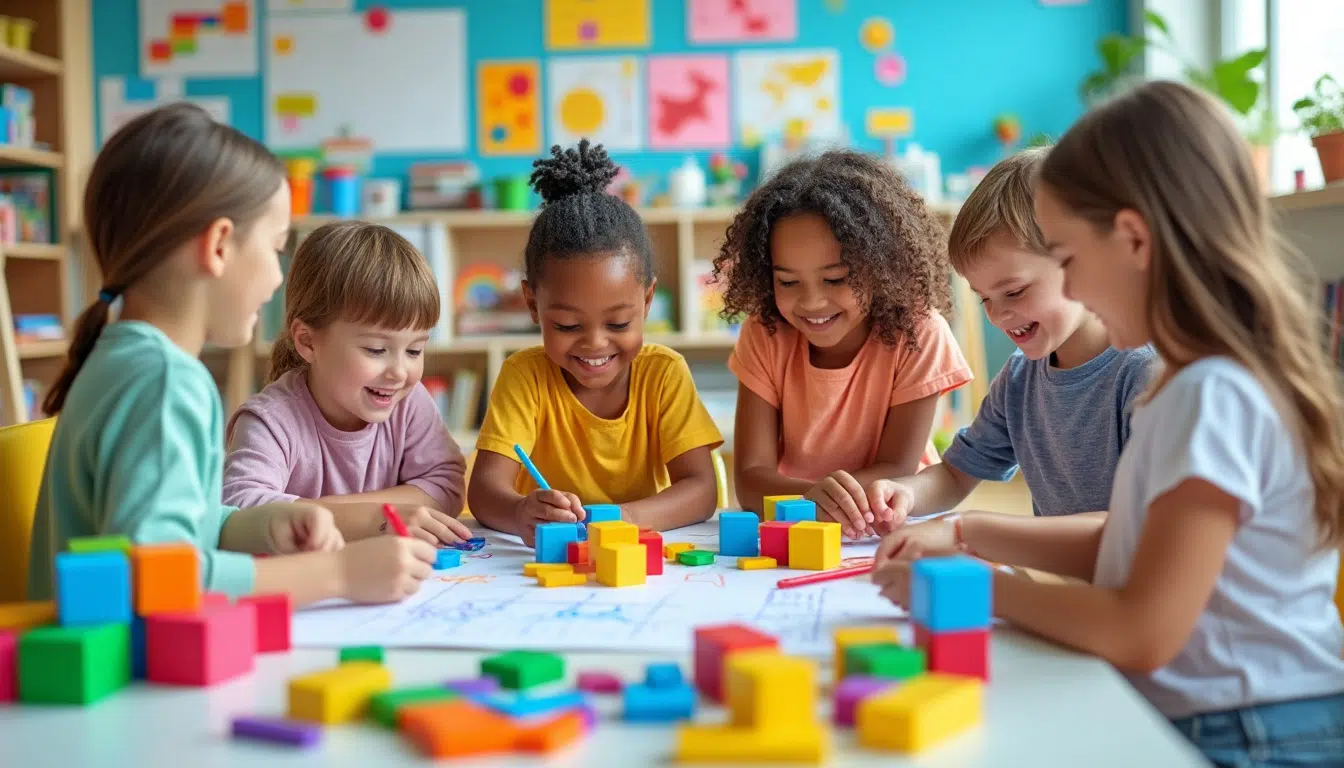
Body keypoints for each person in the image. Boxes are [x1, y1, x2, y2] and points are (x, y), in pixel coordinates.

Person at [873, 81, 1344, 766]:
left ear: (1132, 240)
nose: (1076, 288)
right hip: (1235, 714)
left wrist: (968, 587)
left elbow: (1140, 630)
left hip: (1256, 729)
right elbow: (1130, 546)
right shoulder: (1195, 384)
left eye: (1067, 260)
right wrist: (965, 533)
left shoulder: (1205, 392)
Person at [29, 104, 435, 607]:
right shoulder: (163, 381)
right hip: (123, 672)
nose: (277, 277)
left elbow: (179, 529)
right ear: (220, 246)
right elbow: (156, 580)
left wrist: (262, 523)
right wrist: (337, 573)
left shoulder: (123, 359)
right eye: (275, 248)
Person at [865, 149, 1152, 525]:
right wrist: (904, 494)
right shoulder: (1019, 380)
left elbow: (1139, 530)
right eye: (984, 297)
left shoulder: (1145, 374)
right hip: (1068, 581)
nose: (997, 314)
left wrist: (976, 532)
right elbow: (954, 475)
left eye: (1014, 291)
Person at [467, 140, 723, 546]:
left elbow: (702, 490)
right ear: (533, 305)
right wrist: (519, 512)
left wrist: (622, 518)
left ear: (648, 301)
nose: (595, 344)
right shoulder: (524, 376)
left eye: (619, 322)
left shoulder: (663, 373)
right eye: (568, 326)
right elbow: (483, 491)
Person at [715, 150, 972, 538]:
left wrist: (809, 499)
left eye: (835, 279)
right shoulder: (764, 332)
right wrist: (809, 499)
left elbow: (897, 469)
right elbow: (750, 480)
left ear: (881, 265)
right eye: (787, 282)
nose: (812, 302)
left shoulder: (918, 333)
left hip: (890, 521)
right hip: (801, 519)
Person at [223, 220, 469, 547]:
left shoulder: (408, 403)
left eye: (414, 350)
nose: (399, 371)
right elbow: (238, 507)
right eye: (376, 349)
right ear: (308, 341)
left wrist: (332, 513)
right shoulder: (270, 420)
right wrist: (378, 518)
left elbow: (448, 487)